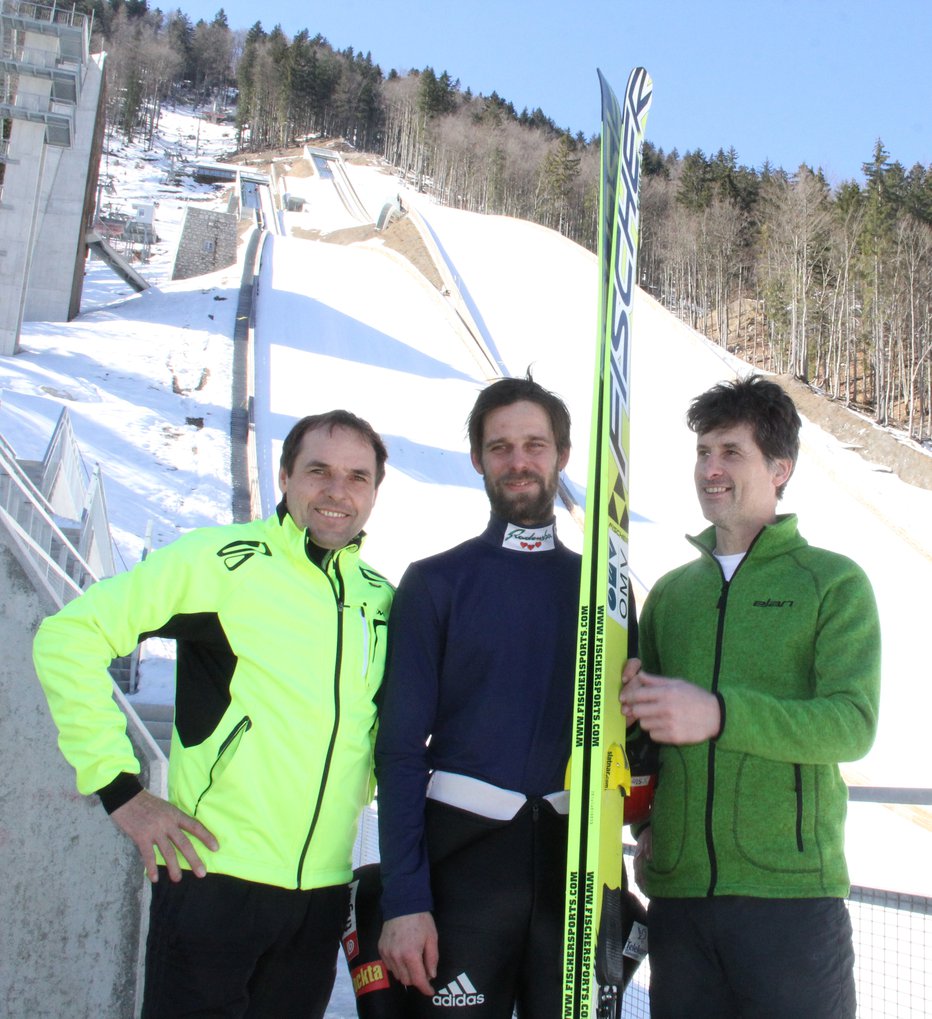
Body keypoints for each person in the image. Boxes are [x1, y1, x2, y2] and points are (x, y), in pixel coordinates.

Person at [33, 409, 394, 1019]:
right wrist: (122, 792)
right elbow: (69, 638)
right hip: (215, 878)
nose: (338, 491)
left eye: (358, 477)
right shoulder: (223, 563)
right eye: (319, 471)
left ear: (375, 493)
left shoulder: (378, 597)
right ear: (285, 477)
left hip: (322, 894)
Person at [373, 375, 637, 1018]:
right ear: (477, 460)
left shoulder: (606, 590)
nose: (518, 461)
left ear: (562, 456)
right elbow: (401, 752)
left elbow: (636, 737)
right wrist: (405, 899)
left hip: (572, 875)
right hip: (462, 871)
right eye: (500, 447)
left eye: (535, 445)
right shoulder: (435, 583)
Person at [620, 375, 881, 1019]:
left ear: (781, 467)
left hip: (789, 902)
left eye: (731, 452)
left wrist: (719, 713)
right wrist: (649, 822)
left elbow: (851, 724)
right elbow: (646, 733)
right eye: (704, 452)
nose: (710, 469)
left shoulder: (832, 583)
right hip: (678, 901)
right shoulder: (673, 595)